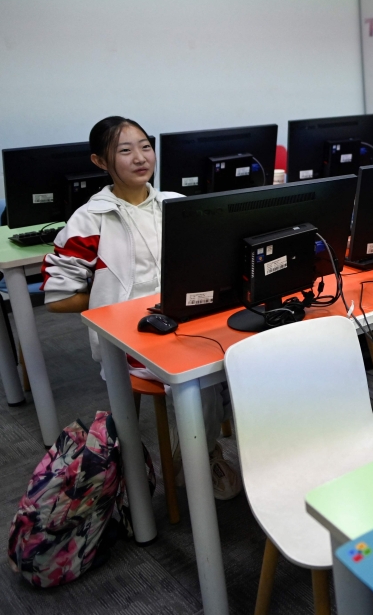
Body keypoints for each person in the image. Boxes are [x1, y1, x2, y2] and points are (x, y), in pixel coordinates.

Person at [41, 116, 241, 500]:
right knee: (198, 372)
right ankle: (201, 455)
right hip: (129, 338)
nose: (140, 157)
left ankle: (239, 445)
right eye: (125, 150)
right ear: (101, 162)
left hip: (185, 319)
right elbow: (57, 297)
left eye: (145, 146)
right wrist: (115, 300)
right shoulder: (89, 219)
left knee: (250, 351)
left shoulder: (176, 206)